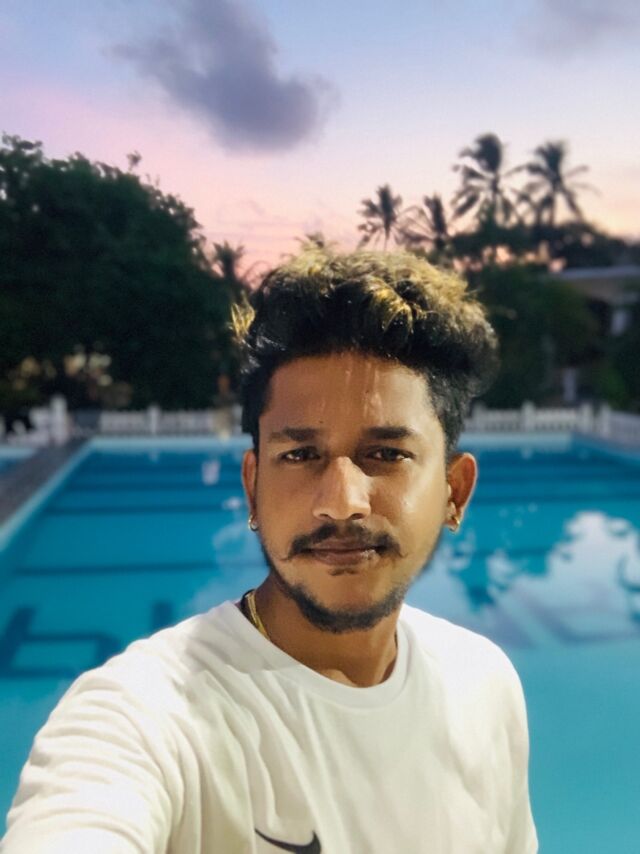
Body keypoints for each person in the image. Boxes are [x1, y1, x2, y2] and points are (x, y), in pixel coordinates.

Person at [2, 248, 538, 853]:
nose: (342, 503)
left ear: (454, 490)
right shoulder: (144, 712)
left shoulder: (484, 683)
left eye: (386, 454)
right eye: (300, 454)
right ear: (253, 486)